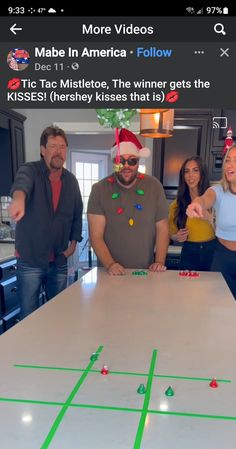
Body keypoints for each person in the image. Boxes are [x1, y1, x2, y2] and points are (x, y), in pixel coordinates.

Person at [9, 125, 83, 319]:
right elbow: (21, 184)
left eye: (62, 146)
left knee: (57, 315)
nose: (58, 151)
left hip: (59, 260)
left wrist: (74, 242)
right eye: (53, 146)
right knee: (29, 317)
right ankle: (31, 349)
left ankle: (55, 348)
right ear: (43, 150)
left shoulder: (71, 181)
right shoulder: (30, 170)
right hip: (30, 259)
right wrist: (19, 199)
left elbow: (77, 214)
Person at [87, 128, 169, 275]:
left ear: (138, 161)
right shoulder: (99, 189)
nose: (126, 166)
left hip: (145, 273)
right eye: (120, 160)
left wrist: (159, 262)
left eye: (132, 160)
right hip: (109, 273)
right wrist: (110, 264)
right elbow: (95, 236)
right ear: (114, 161)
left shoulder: (154, 186)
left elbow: (162, 228)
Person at [186, 145, 236, 299]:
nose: (230, 164)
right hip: (222, 257)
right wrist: (197, 204)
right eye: (227, 160)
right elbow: (206, 198)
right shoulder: (218, 191)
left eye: (235, 160)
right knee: (217, 308)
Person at [168, 156, 216, 271]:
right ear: (183, 176)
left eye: (195, 170)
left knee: (212, 287)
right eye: (186, 171)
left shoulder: (214, 199)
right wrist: (177, 236)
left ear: (202, 174)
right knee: (186, 287)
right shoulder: (176, 205)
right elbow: (171, 234)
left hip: (213, 252)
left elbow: (227, 232)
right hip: (189, 253)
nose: (190, 175)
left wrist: (209, 217)